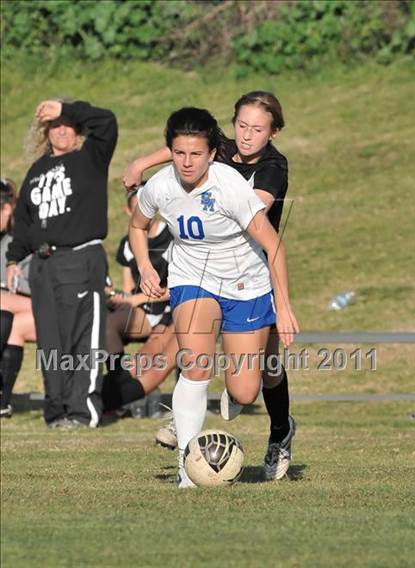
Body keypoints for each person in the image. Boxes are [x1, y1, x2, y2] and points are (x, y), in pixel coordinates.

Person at [123, 91, 295, 480]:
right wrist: (147, 267)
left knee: (248, 388)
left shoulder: (257, 175)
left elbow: (270, 239)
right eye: (242, 126)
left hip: (247, 278)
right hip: (192, 277)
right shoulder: (177, 172)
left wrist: (284, 307)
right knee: (196, 364)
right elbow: (139, 221)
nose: (248, 135)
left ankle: (277, 426)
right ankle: (188, 465)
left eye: (259, 129)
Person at [6, 99, 118, 429]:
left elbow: (107, 120)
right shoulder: (38, 170)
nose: (62, 130)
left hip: (81, 259)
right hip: (43, 265)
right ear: (45, 132)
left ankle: (82, 412)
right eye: (55, 125)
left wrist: (66, 108)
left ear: (78, 128)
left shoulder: (91, 158)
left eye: (68, 124)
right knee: (51, 342)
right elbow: (25, 219)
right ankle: (57, 412)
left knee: (82, 340)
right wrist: (14, 258)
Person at [102, 188, 178, 422]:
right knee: (107, 325)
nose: (142, 212)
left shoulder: (172, 236)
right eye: (136, 207)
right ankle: (114, 386)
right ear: (128, 210)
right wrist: (117, 297)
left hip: (172, 311)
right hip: (143, 314)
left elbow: (179, 287)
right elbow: (129, 288)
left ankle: (108, 400)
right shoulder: (128, 243)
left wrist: (138, 299)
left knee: (149, 359)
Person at [1, 178, 35, 418]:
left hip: (40, 308)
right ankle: (3, 402)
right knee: (5, 320)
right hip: (13, 313)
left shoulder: (22, 239)